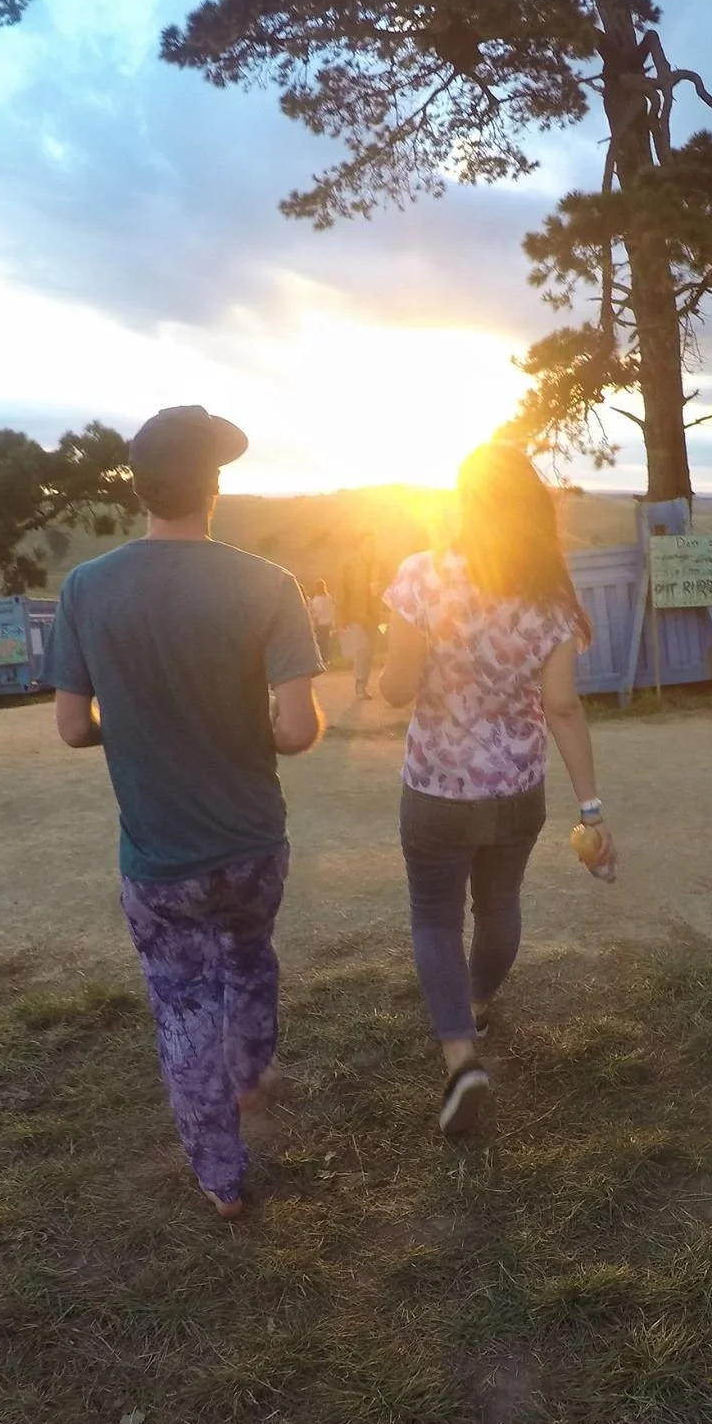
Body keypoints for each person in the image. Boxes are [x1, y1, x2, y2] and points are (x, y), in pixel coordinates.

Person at [46, 405, 324, 1220]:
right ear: (213, 487)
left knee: (182, 1003)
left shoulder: (86, 590)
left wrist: (129, 721)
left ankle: (221, 1177)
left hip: (159, 857)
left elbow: (70, 727)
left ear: (140, 488)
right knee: (249, 953)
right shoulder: (269, 585)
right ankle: (250, 1073)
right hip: (251, 841)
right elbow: (298, 729)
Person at [378, 443, 616, 1136]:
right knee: (500, 904)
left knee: (433, 917)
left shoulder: (421, 578)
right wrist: (593, 809)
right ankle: (477, 998)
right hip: (518, 788)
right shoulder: (551, 601)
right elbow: (563, 708)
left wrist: (411, 666)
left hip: (436, 789)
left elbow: (395, 689)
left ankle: (462, 1057)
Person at [338, 533, 382, 699]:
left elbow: (387, 586)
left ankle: (363, 685)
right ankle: (359, 685)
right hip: (356, 614)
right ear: (361, 546)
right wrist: (341, 618)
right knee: (362, 649)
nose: (372, 548)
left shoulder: (378, 565)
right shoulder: (350, 565)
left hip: (373, 614)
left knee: (369, 651)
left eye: (373, 544)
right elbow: (342, 592)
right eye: (369, 544)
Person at [307, 579, 335, 663]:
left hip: (320, 623)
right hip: (328, 622)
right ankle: (327, 658)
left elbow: (316, 612)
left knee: (319, 642)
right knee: (326, 641)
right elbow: (332, 609)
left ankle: (321, 659)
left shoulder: (317, 599)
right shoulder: (329, 597)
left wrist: (314, 622)